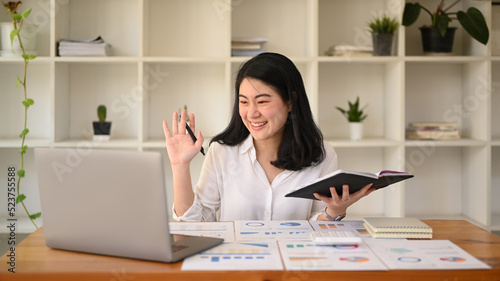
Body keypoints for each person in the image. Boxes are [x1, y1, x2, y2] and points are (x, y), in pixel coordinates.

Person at [163, 52, 375, 222]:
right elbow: (196, 224)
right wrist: (180, 166)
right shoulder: (222, 152)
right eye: (244, 102)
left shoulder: (322, 154)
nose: (252, 113)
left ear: (290, 101)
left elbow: (316, 226)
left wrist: (334, 211)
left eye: (262, 102)